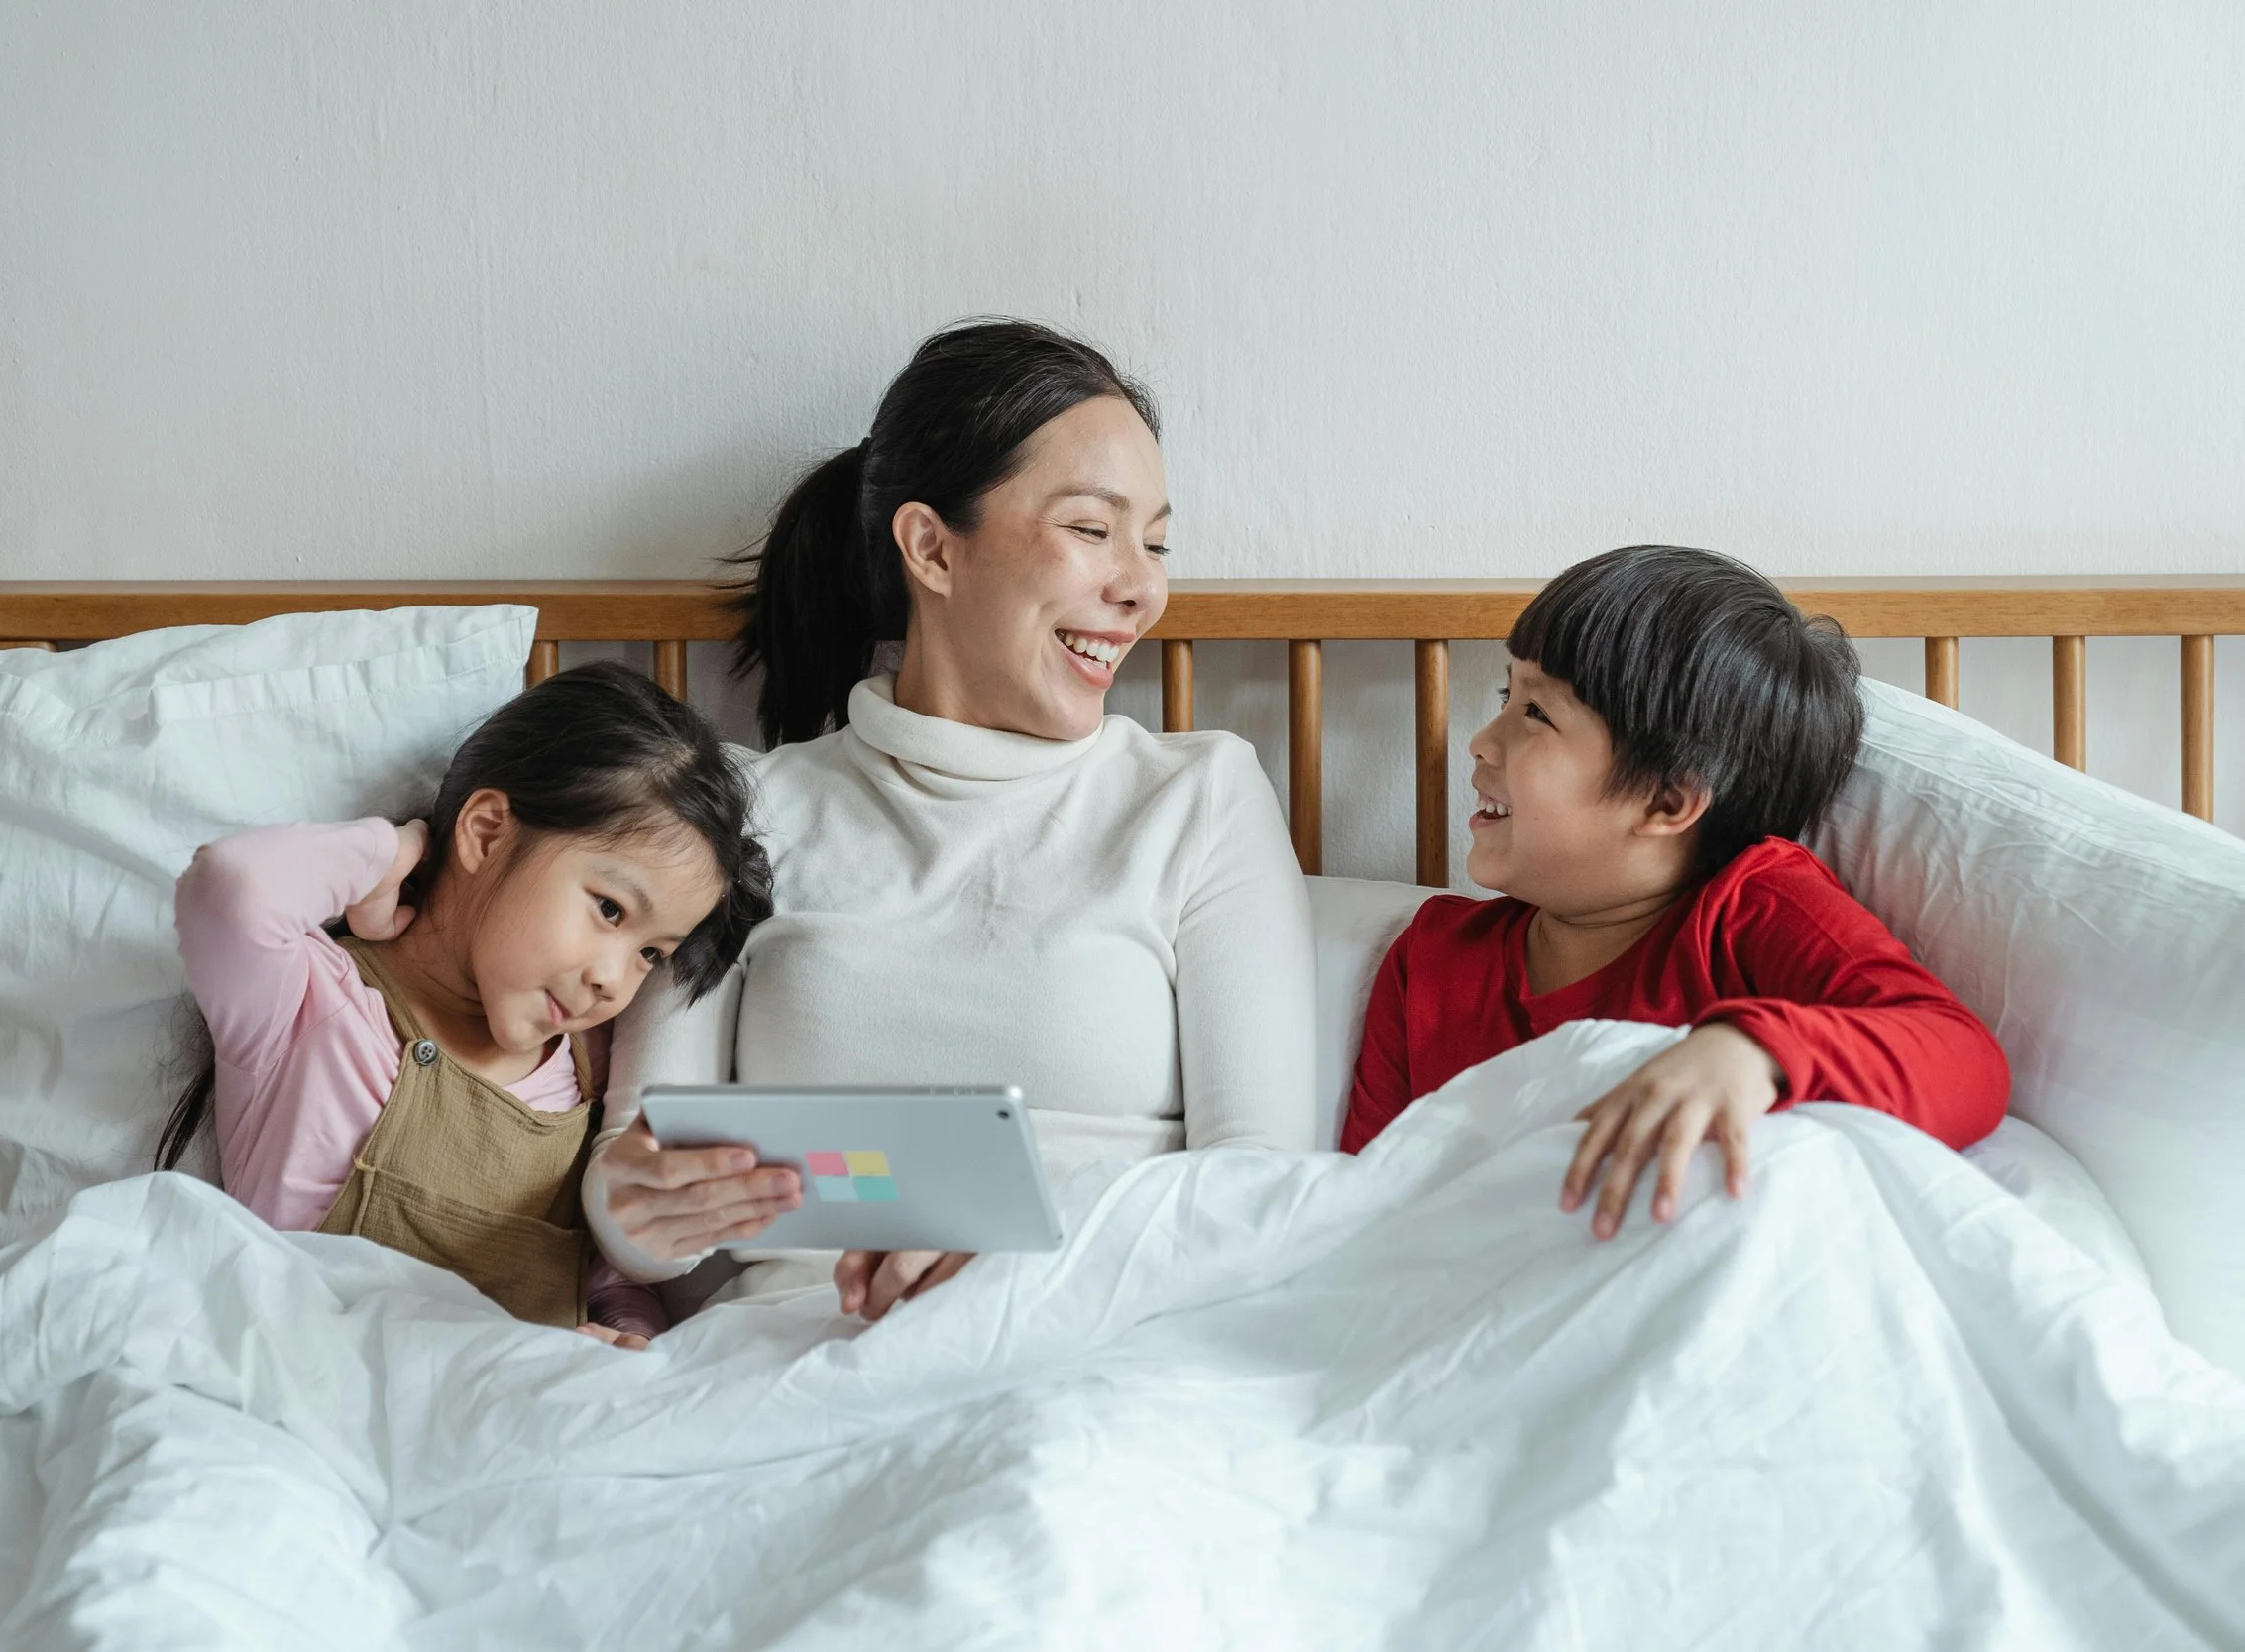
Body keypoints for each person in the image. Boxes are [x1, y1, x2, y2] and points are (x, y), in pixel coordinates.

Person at [585, 318, 1322, 1321]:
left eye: (1153, 541)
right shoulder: (746, 808)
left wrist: (1013, 1259)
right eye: (1093, 528)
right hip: (797, 1349)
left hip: (1099, 1338)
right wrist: (641, 1202)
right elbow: (635, 1184)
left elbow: (1262, 1189)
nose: (1142, 586)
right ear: (931, 547)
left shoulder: (1196, 797)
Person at [1340, 545, 2009, 1239]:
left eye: (1536, 713)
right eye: (1508, 695)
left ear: (1665, 800)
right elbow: (1363, 1200)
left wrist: (1755, 1052)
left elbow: (1965, 1058)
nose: (1481, 740)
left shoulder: (1753, 909)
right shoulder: (1435, 959)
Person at [159, 662, 773, 1345]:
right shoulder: (312, 1002)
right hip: (315, 1394)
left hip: (504, 1415)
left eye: (650, 954)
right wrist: (393, 850)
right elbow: (229, 886)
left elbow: (601, 1277)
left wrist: (625, 1338)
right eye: (609, 907)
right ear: (485, 832)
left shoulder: (586, 1070)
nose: (615, 980)